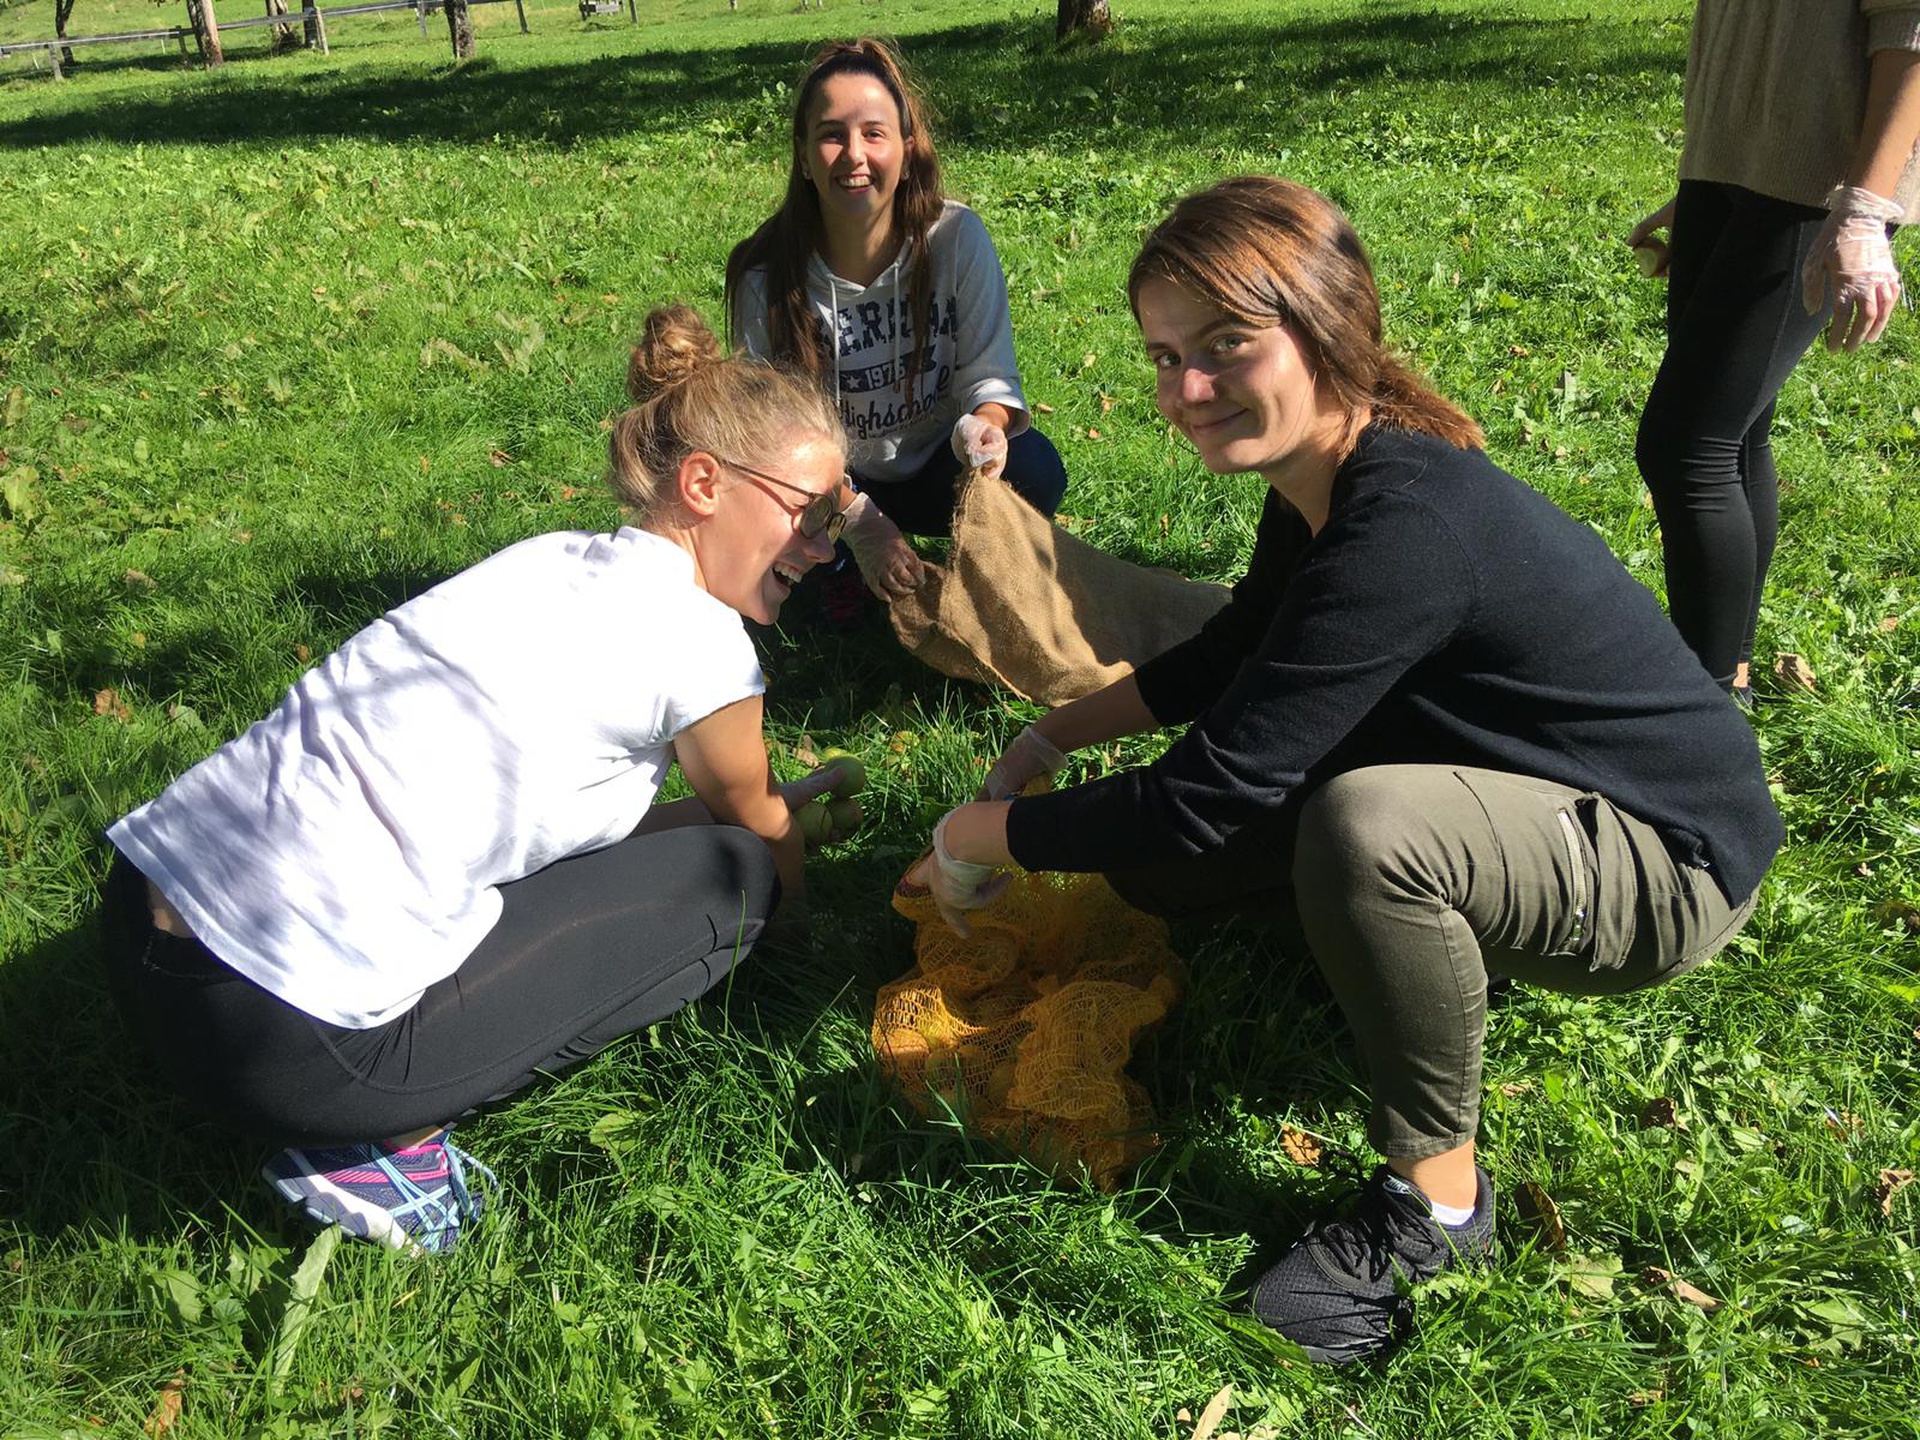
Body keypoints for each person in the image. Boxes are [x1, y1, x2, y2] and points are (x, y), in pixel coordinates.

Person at [921, 177, 1783, 1364]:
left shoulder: (1401, 523)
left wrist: (982, 837)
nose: (1188, 390)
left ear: (1326, 322)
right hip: (1538, 788)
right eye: (1167, 357)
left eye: (1225, 344)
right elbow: (1234, 652)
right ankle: (1398, 954)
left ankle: (1440, 1205)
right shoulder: (1328, 476)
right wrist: (1045, 742)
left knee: (1370, 829)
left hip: (1668, 862)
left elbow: (1201, 792)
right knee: (1180, 874)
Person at [101, 306, 856, 1255]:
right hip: (278, 1040)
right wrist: (805, 919)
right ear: (705, 484)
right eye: (811, 512)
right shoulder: (706, 645)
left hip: (141, 921)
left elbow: (589, 827)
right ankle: (371, 1147)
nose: (823, 547)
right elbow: (754, 834)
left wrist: (780, 803)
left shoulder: (548, 562)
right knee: (732, 882)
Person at [1627, 1, 1920, 703]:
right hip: (1733, 173)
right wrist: (1708, 177)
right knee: (1731, 435)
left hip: (1815, 185)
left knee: (1684, 443)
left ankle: (1706, 700)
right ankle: (1731, 670)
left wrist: (1865, 208)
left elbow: (1910, 29)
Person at [725, 38, 1067, 607]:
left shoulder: (956, 240)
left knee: (1035, 472)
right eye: (832, 134)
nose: (854, 154)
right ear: (804, 156)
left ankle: (952, 558)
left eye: (874, 133)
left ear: (907, 150)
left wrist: (982, 428)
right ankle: (841, 564)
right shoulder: (765, 276)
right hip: (828, 485)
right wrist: (860, 519)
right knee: (807, 605)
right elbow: (771, 440)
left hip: (938, 461)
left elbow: (992, 377)